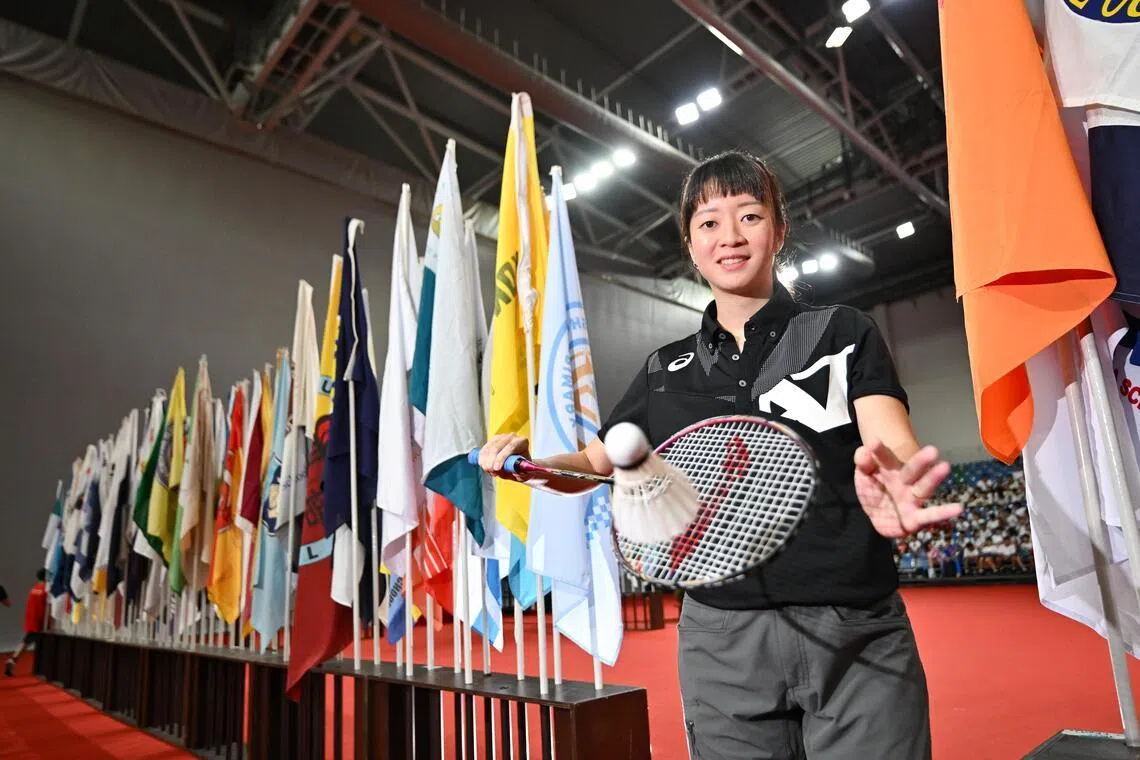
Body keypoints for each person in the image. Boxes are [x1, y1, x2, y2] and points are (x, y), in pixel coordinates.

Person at [475, 150, 962, 759]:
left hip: (854, 631)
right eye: (708, 222)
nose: (729, 236)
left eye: (749, 216)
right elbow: (592, 468)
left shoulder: (843, 332)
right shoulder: (663, 370)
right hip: (720, 637)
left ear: (779, 231)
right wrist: (527, 464)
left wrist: (900, 481)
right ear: (690, 242)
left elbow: (890, 440)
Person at [5, 569, 48, 677]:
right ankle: (44, 669)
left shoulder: (33, 588)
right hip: (40, 621)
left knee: (25, 642)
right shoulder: (46, 590)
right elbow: (46, 607)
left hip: (31, 619)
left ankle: (13, 659)